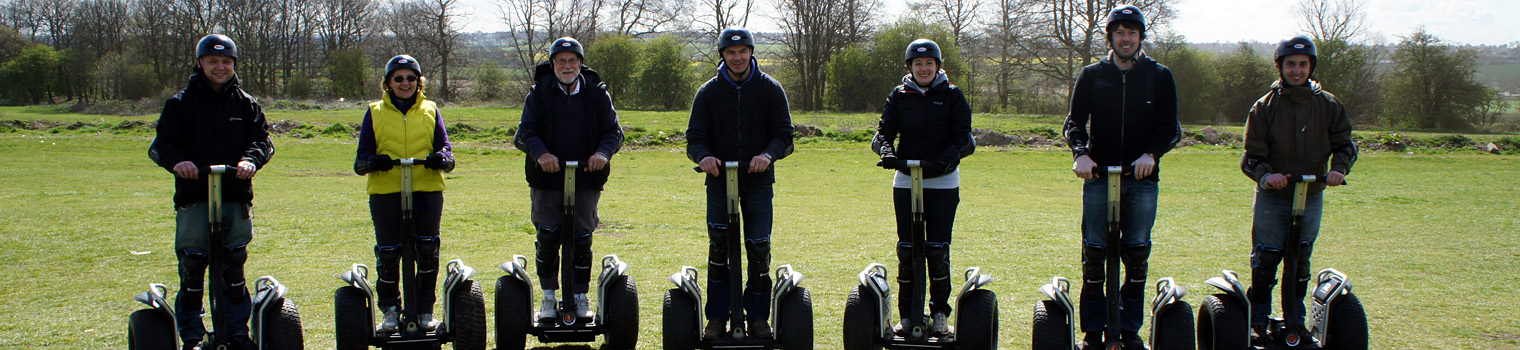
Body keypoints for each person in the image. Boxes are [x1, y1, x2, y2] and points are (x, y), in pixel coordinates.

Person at [1062, 4, 1181, 348]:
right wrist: (1081, 154)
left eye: (1131, 32)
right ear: (1110, 37)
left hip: (1141, 178)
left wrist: (1152, 154)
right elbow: (1073, 123)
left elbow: (1170, 127)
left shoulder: (1159, 76)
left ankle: (1130, 331)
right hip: (1099, 176)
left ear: (1140, 36)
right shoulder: (1092, 74)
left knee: (1138, 251)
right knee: (1095, 252)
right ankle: (1093, 332)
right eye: (1119, 33)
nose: (1125, 38)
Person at [148, 34, 274, 350]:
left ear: (234, 65)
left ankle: (236, 333)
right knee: (192, 267)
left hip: (234, 195)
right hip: (194, 196)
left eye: (226, 62)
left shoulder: (246, 104)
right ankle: (191, 335)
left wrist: (250, 160)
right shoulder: (180, 104)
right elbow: (161, 145)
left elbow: (263, 141)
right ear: (200, 63)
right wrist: (179, 162)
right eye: (214, 61)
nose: (220, 67)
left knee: (233, 266)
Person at [1240, 35, 1357, 346]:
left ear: (1311, 67)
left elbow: (1345, 145)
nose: (1296, 70)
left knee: (1301, 257)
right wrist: (1267, 176)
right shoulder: (1264, 106)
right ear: (1280, 67)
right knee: (1266, 258)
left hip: (1311, 193)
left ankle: (1296, 320)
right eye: (1290, 64)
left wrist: (1338, 170)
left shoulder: (1329, 105)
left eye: (1302, 64)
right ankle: (1258, 320)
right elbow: (1251, 155)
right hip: (1274, 196)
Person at [686, 28, 795, 340]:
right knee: (719, 251)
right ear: (723, 55)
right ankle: (717, 319)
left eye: (742, 52)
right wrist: (704, 156)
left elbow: (784, 136)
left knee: (759, 250)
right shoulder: (708, 92)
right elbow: (694, 138)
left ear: (751, 53)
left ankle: (759, 318)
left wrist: (768, 154)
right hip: (719, 183)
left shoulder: (770, 89)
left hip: (758, 182)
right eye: (731, 53)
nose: (737, 58)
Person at [513, 37, 625, 323]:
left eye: (572, 60)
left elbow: (614, 132)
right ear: (552, 65)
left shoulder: (598, 94)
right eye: (561, 61)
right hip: (547, 178)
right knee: (548, 237)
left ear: (580, 63)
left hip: (586, 177)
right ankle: (549, 296)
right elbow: (526, 132)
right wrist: (541, 154)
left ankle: (579, 296)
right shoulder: (538, 94)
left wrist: (603, 153)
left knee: (581, 239)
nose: (567, 66)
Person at [870, 38, 974, 336]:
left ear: (938, 66)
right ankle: (908, 315)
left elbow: (962, 136)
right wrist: (888, 153)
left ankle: (939, 313)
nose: (924, 68)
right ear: (910, 67)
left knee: (937, 249)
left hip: (942, 179)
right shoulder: (899, 95)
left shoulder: (952, 95)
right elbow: (883, 132)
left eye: (929, 63)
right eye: (918, 63)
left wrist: (946, 160)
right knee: (907, 249)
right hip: (906, 179)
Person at [353, 54, 456, 333]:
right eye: (398, 78)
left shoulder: (431, 110)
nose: (405, 83)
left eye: (411, 78)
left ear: (419, 82)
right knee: (388, 254)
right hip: (387, 191)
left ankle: (424, 310)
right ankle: (390, 310)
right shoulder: (374, 111)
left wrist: (440, 158)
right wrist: (375, 162)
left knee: (426, 250)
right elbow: (360, 160)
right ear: (387, 83)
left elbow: (447, 151)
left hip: (426, 189)